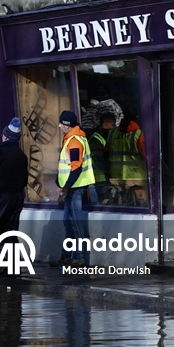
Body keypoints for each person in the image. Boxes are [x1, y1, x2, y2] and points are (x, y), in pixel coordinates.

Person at [0, 117, 29, 257]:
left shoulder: (0, 151)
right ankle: (15, 260)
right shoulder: (22, 155)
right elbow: (25, 179)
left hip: (3, 196)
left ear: (6, 136)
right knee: (11, 231)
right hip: (18, 196)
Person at [58, 111, 96, 262]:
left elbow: (76, 167)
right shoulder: (73, 138)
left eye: (61, 123)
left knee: (75, 223)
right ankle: (67, 255)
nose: (59, 125)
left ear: (67, 125)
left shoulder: (74, 141)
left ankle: (79, 257)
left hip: (75, 188)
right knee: (68, 222)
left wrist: (66, 187)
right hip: (73, 187)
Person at [107, 111, 148, 205]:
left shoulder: (112, 133)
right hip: (137, 180)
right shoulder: (139, 134)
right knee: (140, 208)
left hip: (117, 179)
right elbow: (148, 156)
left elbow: (106, 153)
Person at [88, 113, 116, 204]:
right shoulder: (96, 139)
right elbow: (97, 160)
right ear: (103, 123)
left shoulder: (103, 136)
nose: (113, 126)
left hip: (101, 177)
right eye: (111, 123)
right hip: (98, 178)